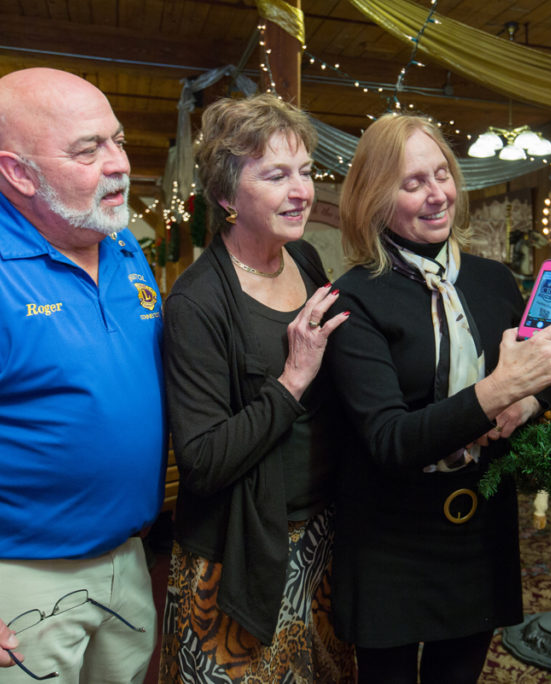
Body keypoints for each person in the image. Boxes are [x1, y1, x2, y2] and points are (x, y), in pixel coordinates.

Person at [0, 68, 165, 683]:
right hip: (1, 576)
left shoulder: (122, 243)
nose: (119, 164)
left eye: (118, 140)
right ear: (18, 172)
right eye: (88, 149)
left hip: (124, 561)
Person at [325, 113, 551, 683]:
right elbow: (389, 441)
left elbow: (550, 387)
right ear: (374, 197)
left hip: (480, 530)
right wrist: (497, 390)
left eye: (443, 174)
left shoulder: (493, 282)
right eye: (413, 183)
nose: (437, 195)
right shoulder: (353, 298)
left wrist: (526, 402)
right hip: (391, 539)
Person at [158, 94, 355, 682]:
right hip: (238, 550)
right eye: (276, 176)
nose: (301, 191)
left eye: (304, 172)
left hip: (321, 529)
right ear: (226, 195)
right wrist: (291, 379)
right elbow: (202, 461)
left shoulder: (308, 258)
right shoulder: (196, 303)